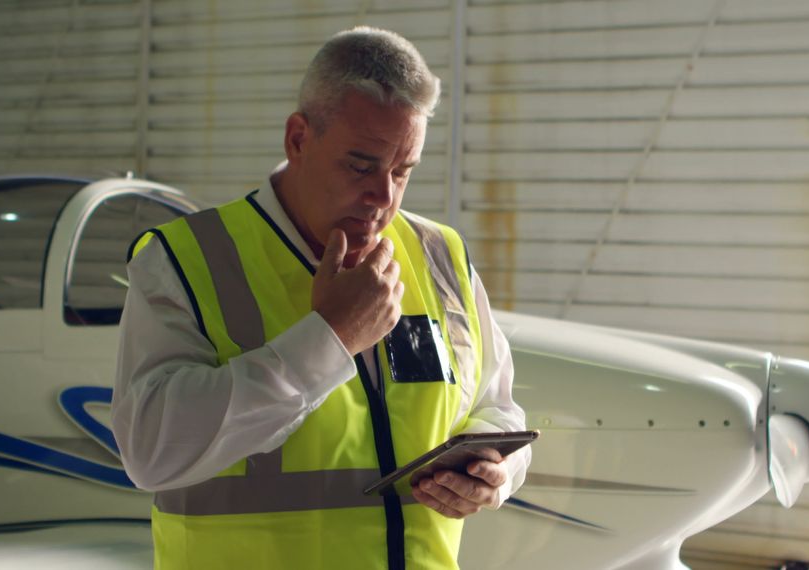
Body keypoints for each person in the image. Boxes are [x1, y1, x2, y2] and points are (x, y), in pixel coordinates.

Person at [113, 26, 529, 570]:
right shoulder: (185, 260)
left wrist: (492, 475)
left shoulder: (440, 256)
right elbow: (149, 452)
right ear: (298, 139)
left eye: (403, 171)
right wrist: (330, 339)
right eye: (361, 165)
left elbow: (495, 407)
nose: (384, 197)